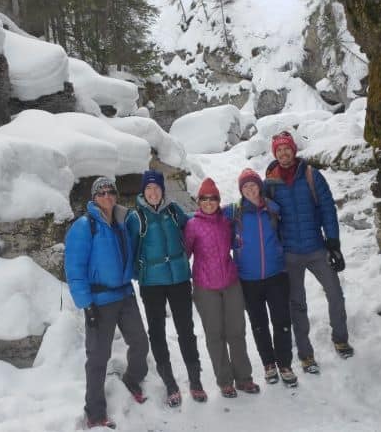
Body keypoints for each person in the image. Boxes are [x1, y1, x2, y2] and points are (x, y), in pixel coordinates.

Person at [263, 131, 353, 375]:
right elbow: (266, 217)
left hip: (316, 248)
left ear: (293, 150)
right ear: (275, 154)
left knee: (335, 294)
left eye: (286, 148)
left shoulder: (312, 175)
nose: (283, 153)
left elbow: (327, 209)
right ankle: (306, 354)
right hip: (290, 254)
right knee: (297, 304)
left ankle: (341, 339)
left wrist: (333, 243)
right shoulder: (270, 183)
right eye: (278, 150)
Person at [64, 176, 150, 429]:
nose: (107, 196)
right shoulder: (84, 226)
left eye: (110, 191)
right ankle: (95, 412)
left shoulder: (121, 222)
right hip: (99, 301)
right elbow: (74, 269)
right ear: (94, 198)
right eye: (101, 193)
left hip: (125, 295)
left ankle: (133, 380)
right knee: (98, 358)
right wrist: (86, 304)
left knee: (140, 343)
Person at [125, 170, 206, 407]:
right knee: (157, 333)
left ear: (162, 191)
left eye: (157, 188)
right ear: (143, 192)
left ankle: (195, 380)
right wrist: (137, 276)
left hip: (179, 279)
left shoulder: (173, 210)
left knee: (186, 330)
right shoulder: (136, 218)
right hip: (152, 284)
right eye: (149, 189)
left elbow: (192, 222)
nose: (153, 193)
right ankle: (170, 383)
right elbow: (129, 250)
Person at [184, 177, 259, 398]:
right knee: (215, 335)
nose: (208, 202)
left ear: (218, 200)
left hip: (231, 283)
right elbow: (185, 254)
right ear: (199, 201)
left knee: (237, 332)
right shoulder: (192, 225)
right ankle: (225, 381)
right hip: (205, 287)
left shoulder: (227, 220)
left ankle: (244, 378)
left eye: (213, 198)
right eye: (204, 199)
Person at [223, 169, 298, 387]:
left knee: (282, 321)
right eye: (245, 186)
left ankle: (285, 364)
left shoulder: (273, 210)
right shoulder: (233, 213)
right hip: (248, 280)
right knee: (259, 324)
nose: (250, 189)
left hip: (276, 275)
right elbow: (209, 215)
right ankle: (268, 364)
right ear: (240, 190)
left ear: (259, 186)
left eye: (253, 185)